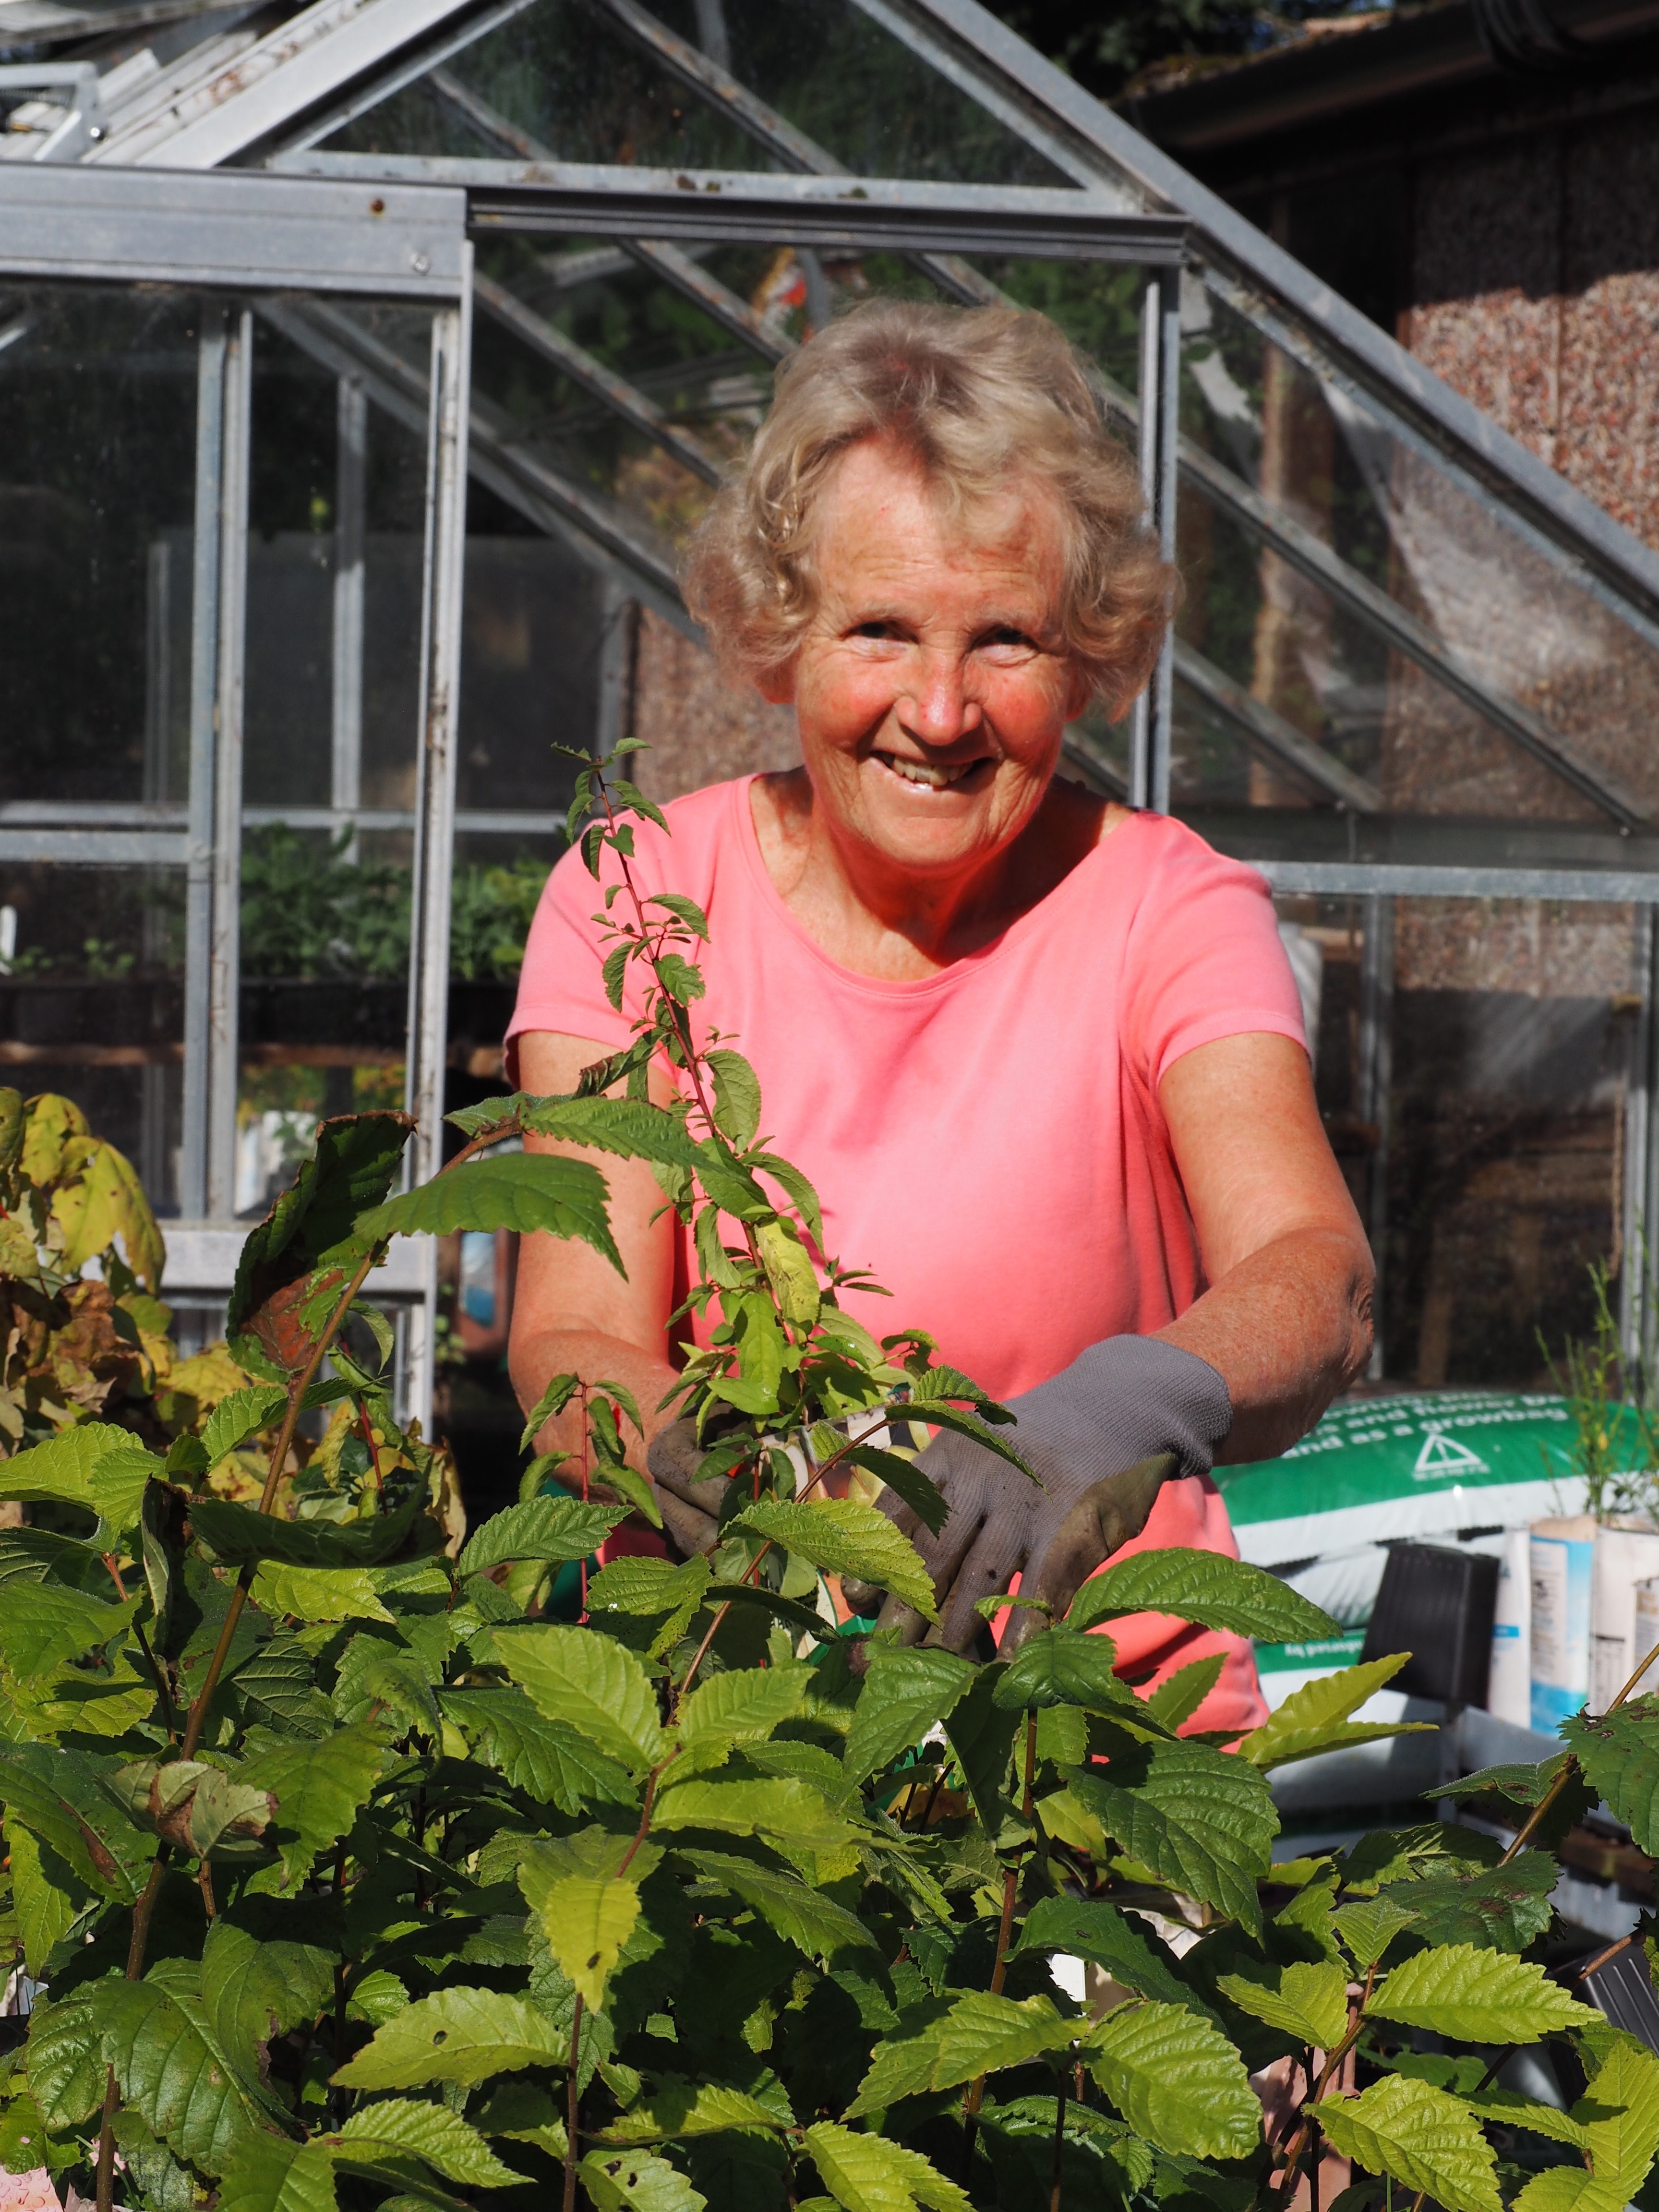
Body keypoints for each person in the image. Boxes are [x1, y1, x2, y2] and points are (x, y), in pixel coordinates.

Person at [505, 300, 1372, 1735]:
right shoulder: (646, 899)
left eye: (1008, 640)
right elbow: (569, 1333)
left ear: (1089, 650)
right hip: (727, 1731)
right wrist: (725, 1479)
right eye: (881, 629)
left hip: (1094, 1730)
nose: (943, 708)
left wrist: (1123, 1408)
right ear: (782, 630)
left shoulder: (1164, 904)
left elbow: (1315, 1273)